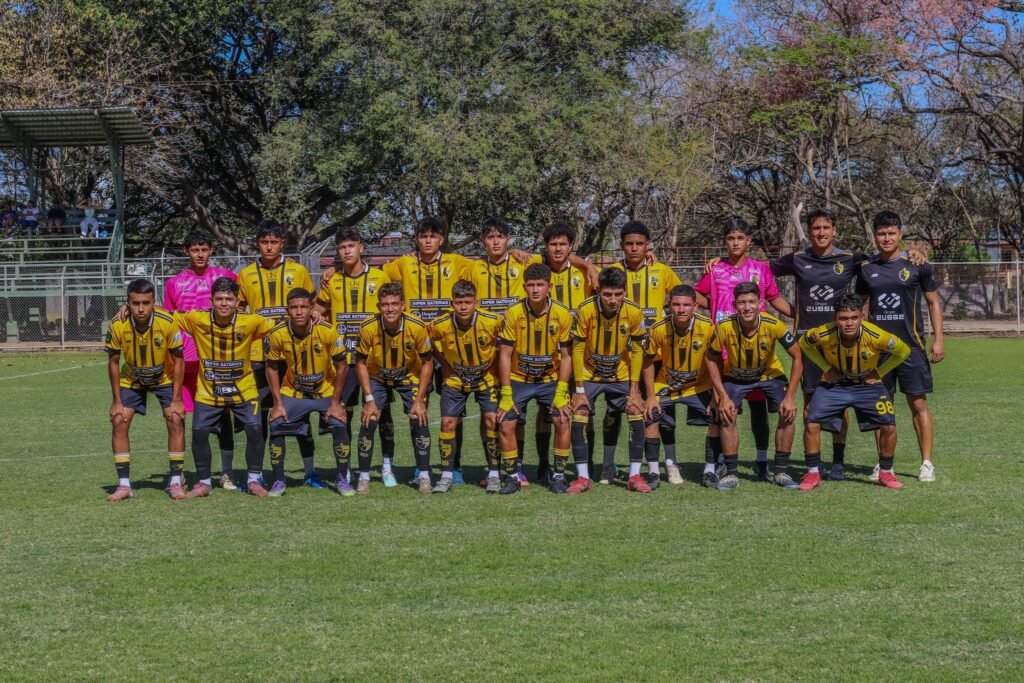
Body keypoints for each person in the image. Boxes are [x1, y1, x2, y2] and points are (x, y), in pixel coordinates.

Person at [770, 208, 929, 479]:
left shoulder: (851, 258)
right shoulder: (797, 259)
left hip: (844, 341)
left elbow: (885, 259)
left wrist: (912, 252)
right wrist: (793, 312)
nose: (821, 232)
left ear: (834, 231)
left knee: (840, 403)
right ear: (809, 232)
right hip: (811, 342)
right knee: (811, 403)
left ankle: (838, 462)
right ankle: (813, 464)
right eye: (816, 228)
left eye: (826, 228)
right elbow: (763, 273)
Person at [696, 217, 793, 482]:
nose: (736, 243)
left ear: (749, 241)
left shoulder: (761, 269)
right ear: (724, 241)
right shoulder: (715, 269)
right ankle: (720, 464)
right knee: (723, 410)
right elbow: (697, 294)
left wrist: (800, 315)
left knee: (759, 410)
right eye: (731, 238)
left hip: (755, 352)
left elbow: (774, 298)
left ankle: (762, 462)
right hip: (724, 350)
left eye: (740, 238)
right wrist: (713, 304)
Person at [856, 210, 944, 482]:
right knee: (881, 406)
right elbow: (860, 306)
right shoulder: (866, 267)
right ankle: (884, 464)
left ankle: (926, 463)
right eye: (881, 233)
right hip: (878, 352)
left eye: (891, 233)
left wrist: (939, 339)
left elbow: (933, 302)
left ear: (900, 235)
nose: (886, 238)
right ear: (875, 236)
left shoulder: (917, 264)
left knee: (918, 404)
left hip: (911, 348)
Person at [172, 277, 278, 498]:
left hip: (244, 389)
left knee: (255, 429)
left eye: (229, 299)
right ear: (211, 300)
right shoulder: (197, 319)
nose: (224, 303)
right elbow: (167, 314)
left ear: (237, 302)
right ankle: (203, 482)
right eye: (219, 299)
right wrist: (130, 308)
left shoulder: (251, 321)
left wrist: (314, 315)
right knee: (199, 432)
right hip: (209, 391)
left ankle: (253, 480)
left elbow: (283, 323)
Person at [797, 294, 912, 490]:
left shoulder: (877, 335)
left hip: (867, 385)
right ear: (835, 318)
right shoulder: (823, 333)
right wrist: (825, 367)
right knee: (812, 421)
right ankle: (813, 473)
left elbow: (904, 351)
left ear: (862, 317)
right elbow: (803, 343)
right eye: (843, 318)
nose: (849, 323)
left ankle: (886, 472)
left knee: (889, 425)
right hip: (835, 384)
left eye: (854, 318)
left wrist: (880, 372)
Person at [236, 220, 317, 484]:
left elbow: (313, 305)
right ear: (257, 244)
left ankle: (310, 472)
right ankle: (258, 473)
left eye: (274, 242)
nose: (269, 247)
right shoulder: (245, 274)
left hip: (294, 355)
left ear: (282, 243)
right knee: (259, 416)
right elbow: (238, 312)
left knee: (302, 412)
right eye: (264, 242)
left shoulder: (298, 270)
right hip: (259, 356)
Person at [313, 227, 394, 482]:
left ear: (361, 247)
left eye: (351, 246)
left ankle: (387, 466)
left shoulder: (380, 277)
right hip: (344, 361)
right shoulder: (333, 280)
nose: (347, 251)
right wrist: (315, 315)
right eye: (342, 247)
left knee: (382, 413)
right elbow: (318, 308)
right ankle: (345, 468)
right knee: (343, 414)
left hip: (374, 360)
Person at [605, 221, 683, 482]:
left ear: (648, 245)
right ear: (622, 245)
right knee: (614, 411)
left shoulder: (661, 270)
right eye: (629, 244)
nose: (634, 248)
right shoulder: (612, 272)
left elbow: (683, 295)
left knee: (662, 409)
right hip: (620, 356)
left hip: (655, 355)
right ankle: (609, 464)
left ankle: (670, 463)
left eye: (640, 244)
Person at [706, 282, 803, 490]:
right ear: (734, 305)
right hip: (735, 376)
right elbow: (711, 359)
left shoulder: (774, 324)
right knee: (727, 413)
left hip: (769, 375)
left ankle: (781, 472)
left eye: (752, 302)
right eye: (742, 303)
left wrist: (791, 397)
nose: (747, 307)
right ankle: (732, 474)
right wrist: (721, 395)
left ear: (760, 303)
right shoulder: (724, 327)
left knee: (787, 412)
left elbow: (797, 356)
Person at [162, 231, 239, 489]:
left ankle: (226, 472)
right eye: (195, 250)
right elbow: (169, 320)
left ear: (211, 250)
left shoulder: (226, 277)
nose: (200, 254)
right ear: (187, 251)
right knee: (179, 417)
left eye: (204, 249)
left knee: (223, 415)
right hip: (184, 362)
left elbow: (242, 308)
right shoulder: (174, 283)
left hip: (217, 359)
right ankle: (180, 472)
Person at [525, 222, 597, 484]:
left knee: (583, 408)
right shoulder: (536, 267)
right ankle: (544, 464)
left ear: (571, 246)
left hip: (579, 354)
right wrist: (513, 250)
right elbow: (510, 255)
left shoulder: (584, 272)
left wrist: (589, 266)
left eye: (563, 244)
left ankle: (587, 463)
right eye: (553, 244)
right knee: (546, 412)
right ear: (546, 247)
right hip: (547, 357)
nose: (558, 249)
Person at [103, 279, 186, 501]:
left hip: (164, 378)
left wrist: (177, 399)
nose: (141, 309)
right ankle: (124, 485)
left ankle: (175, 480)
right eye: (135, 303)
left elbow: (179, 359)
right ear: (127, 303)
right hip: (132, 379)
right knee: (119, 419)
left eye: (146, 303)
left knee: (175, 418)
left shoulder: (167, 322)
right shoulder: (117, 325)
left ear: (153, 302)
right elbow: (113, 362)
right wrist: (116, 401)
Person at [264, 289, 352, 496]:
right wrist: (277, 404)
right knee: (276, 423)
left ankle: (342, 478)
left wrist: (336, 402)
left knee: (339, 424)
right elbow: (271, 368)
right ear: (287, 310)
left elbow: (342, 366)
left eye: (303, 307)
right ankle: (279, 480)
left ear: (312, 308)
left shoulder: (328, 331)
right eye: (294, 308)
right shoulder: (277, 334)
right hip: (294, 391)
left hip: (325, 391)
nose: (299, 312)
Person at [495, 263, 575, 494]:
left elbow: (567, 356)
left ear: (550, 286)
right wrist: (506, 392)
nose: (535, 290)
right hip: (519, 379)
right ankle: (512, 477)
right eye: (531, 285)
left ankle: (558, 476)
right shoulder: (513, 313)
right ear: (524, 287)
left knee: (562, 419)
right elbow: (505, 355)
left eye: (540, 285)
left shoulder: (562, 314)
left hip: (550, 380)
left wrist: (561, 390)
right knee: (506, 421)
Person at [569, 268, 649, 493]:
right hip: (589, 373)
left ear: (625, 291)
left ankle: (634, 476)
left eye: (617, 294)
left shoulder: (634, 311)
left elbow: (637, 351)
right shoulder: (585, 310)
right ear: (598, 291)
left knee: (635, 409)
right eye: (607, 294)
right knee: (580, 411)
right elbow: (577, 350)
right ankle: (582, 478)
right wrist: (579, 389)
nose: (613, 300)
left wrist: (634, 389)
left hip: (619, 373)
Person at [353, 282, 435, 494]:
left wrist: (420, 400)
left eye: (394, 304)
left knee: (418, 417)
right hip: (378, 376)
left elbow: (428, 362)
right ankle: (364, 477)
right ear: (378, 306)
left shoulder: (416, 326)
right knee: (369, 418)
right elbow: (359, 362)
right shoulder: (368, 327)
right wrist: (369, 399)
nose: (390, 309)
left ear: (403, 305)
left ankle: (424, 476)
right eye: (385, 304)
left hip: (409, 376)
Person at [429, 280, 503, 493]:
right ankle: (446, 475)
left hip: (486, 378)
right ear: (452, 303)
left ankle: (494, 474)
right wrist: (444, 365)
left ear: (476, 302)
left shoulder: (493, 321)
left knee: (491, 421)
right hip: (456, 379)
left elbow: (506, 343)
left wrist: (494, 366)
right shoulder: (439, 324)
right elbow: (428, 341)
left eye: (468, 302)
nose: (463, 307)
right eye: (459, 302)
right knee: (447, 423)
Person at [642, 285, 718, 485]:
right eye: (676, 304)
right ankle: (655, 471)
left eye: (686, 305)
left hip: (698, 385)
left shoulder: (708, 327)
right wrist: (650, 396)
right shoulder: (658, 328)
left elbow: (716, 361)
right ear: (669, 305)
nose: (681, 309)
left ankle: (710, 470)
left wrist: (716, 396)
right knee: (651, 416)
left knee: (718, 416)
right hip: (666, 384)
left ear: (695, 306)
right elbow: (647, 362)